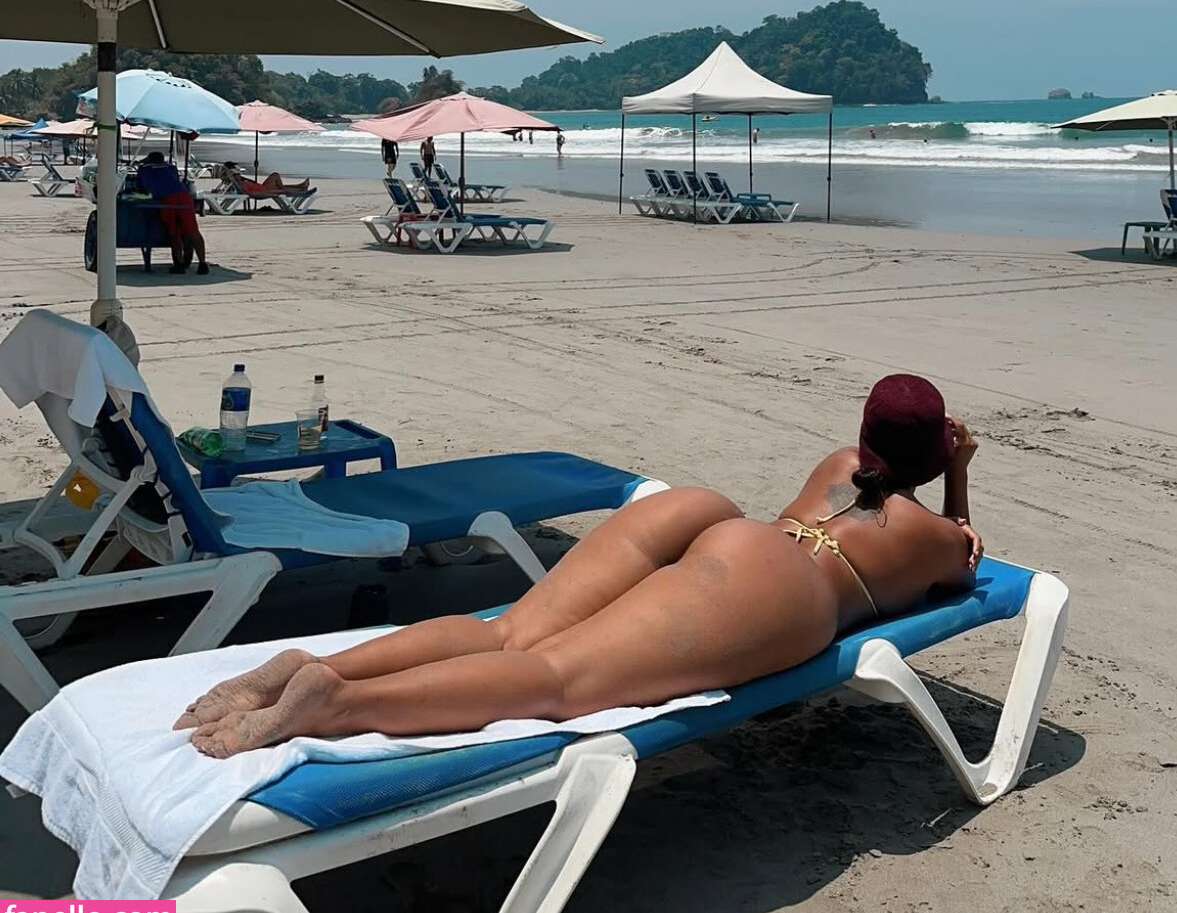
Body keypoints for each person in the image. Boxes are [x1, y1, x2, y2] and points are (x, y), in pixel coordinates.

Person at [177, 374, 984, 758]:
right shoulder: (928, 534)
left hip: (719, 519)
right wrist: (957, 472)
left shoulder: (839, 461)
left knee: (510, 632)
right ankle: (340, 702)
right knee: (556, 680)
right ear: (930, 448)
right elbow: (962, 555)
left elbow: (880, 478)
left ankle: (312, 665)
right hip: (784, 585)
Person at [136, 151, 209, 275]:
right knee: (193, 231)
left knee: (174, 232)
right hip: (184, 197)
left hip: (167, 199)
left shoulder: (144, 169)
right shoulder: (170, 168)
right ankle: (202, 263)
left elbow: (141, 188)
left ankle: (179, 264)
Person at [219, 161, 312, 194]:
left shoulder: (237, 180)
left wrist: (244, 179)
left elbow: (252, 183)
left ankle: (301, 186)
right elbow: (248, 190)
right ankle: (301, 189)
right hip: (263, 190)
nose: (239, 174)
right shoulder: (239, 182)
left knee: (279, 186)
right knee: (276, 178)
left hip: (261, 188)